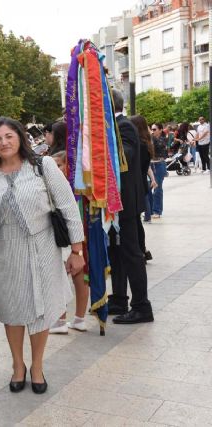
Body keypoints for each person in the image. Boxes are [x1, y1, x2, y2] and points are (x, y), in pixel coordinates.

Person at [0, 117, 84, 394]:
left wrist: (77, 250)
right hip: (1, 251)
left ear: (20, 138)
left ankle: (37, 366)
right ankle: (17, 365)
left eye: (9, 136)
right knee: (11, 310)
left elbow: (69, 207)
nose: (4, 142)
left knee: (39, 308)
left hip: (41, 247)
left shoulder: (43, 166)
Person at [107, 90, 154, 324]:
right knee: (115, 252)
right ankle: (118, 298)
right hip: (115, 203)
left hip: (125, 202)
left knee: (132, 254)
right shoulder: (113, 127)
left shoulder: (123, 126)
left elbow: (125, 154)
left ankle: (142, 306)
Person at [47, 150, 89, 334]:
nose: (55, 169)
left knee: (67, 276)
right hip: (75, 237)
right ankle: (76, 319)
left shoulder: (66, 187)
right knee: (74, 275)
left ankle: (62, 319)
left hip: (68, 238)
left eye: (59, 165)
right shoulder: (79, 186)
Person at [130, 115, 157, 263]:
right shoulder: (146, 143)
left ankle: (140, 250)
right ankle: (142, 250)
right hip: (142, 185)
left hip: (136, 186)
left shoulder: (138, 144)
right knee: (137, 221)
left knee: (135, 222)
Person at [149, 123, 168, 219]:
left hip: (159, 164)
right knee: (148, 188)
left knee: (157, 189)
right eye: (151, 129)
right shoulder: (151, 138)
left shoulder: (163, 139)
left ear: (160, 130)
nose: (152, 131)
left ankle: (157, 210)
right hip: (150, 165)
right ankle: (150, 209)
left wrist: (150, 136)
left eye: (154, 129)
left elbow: (158, 146)